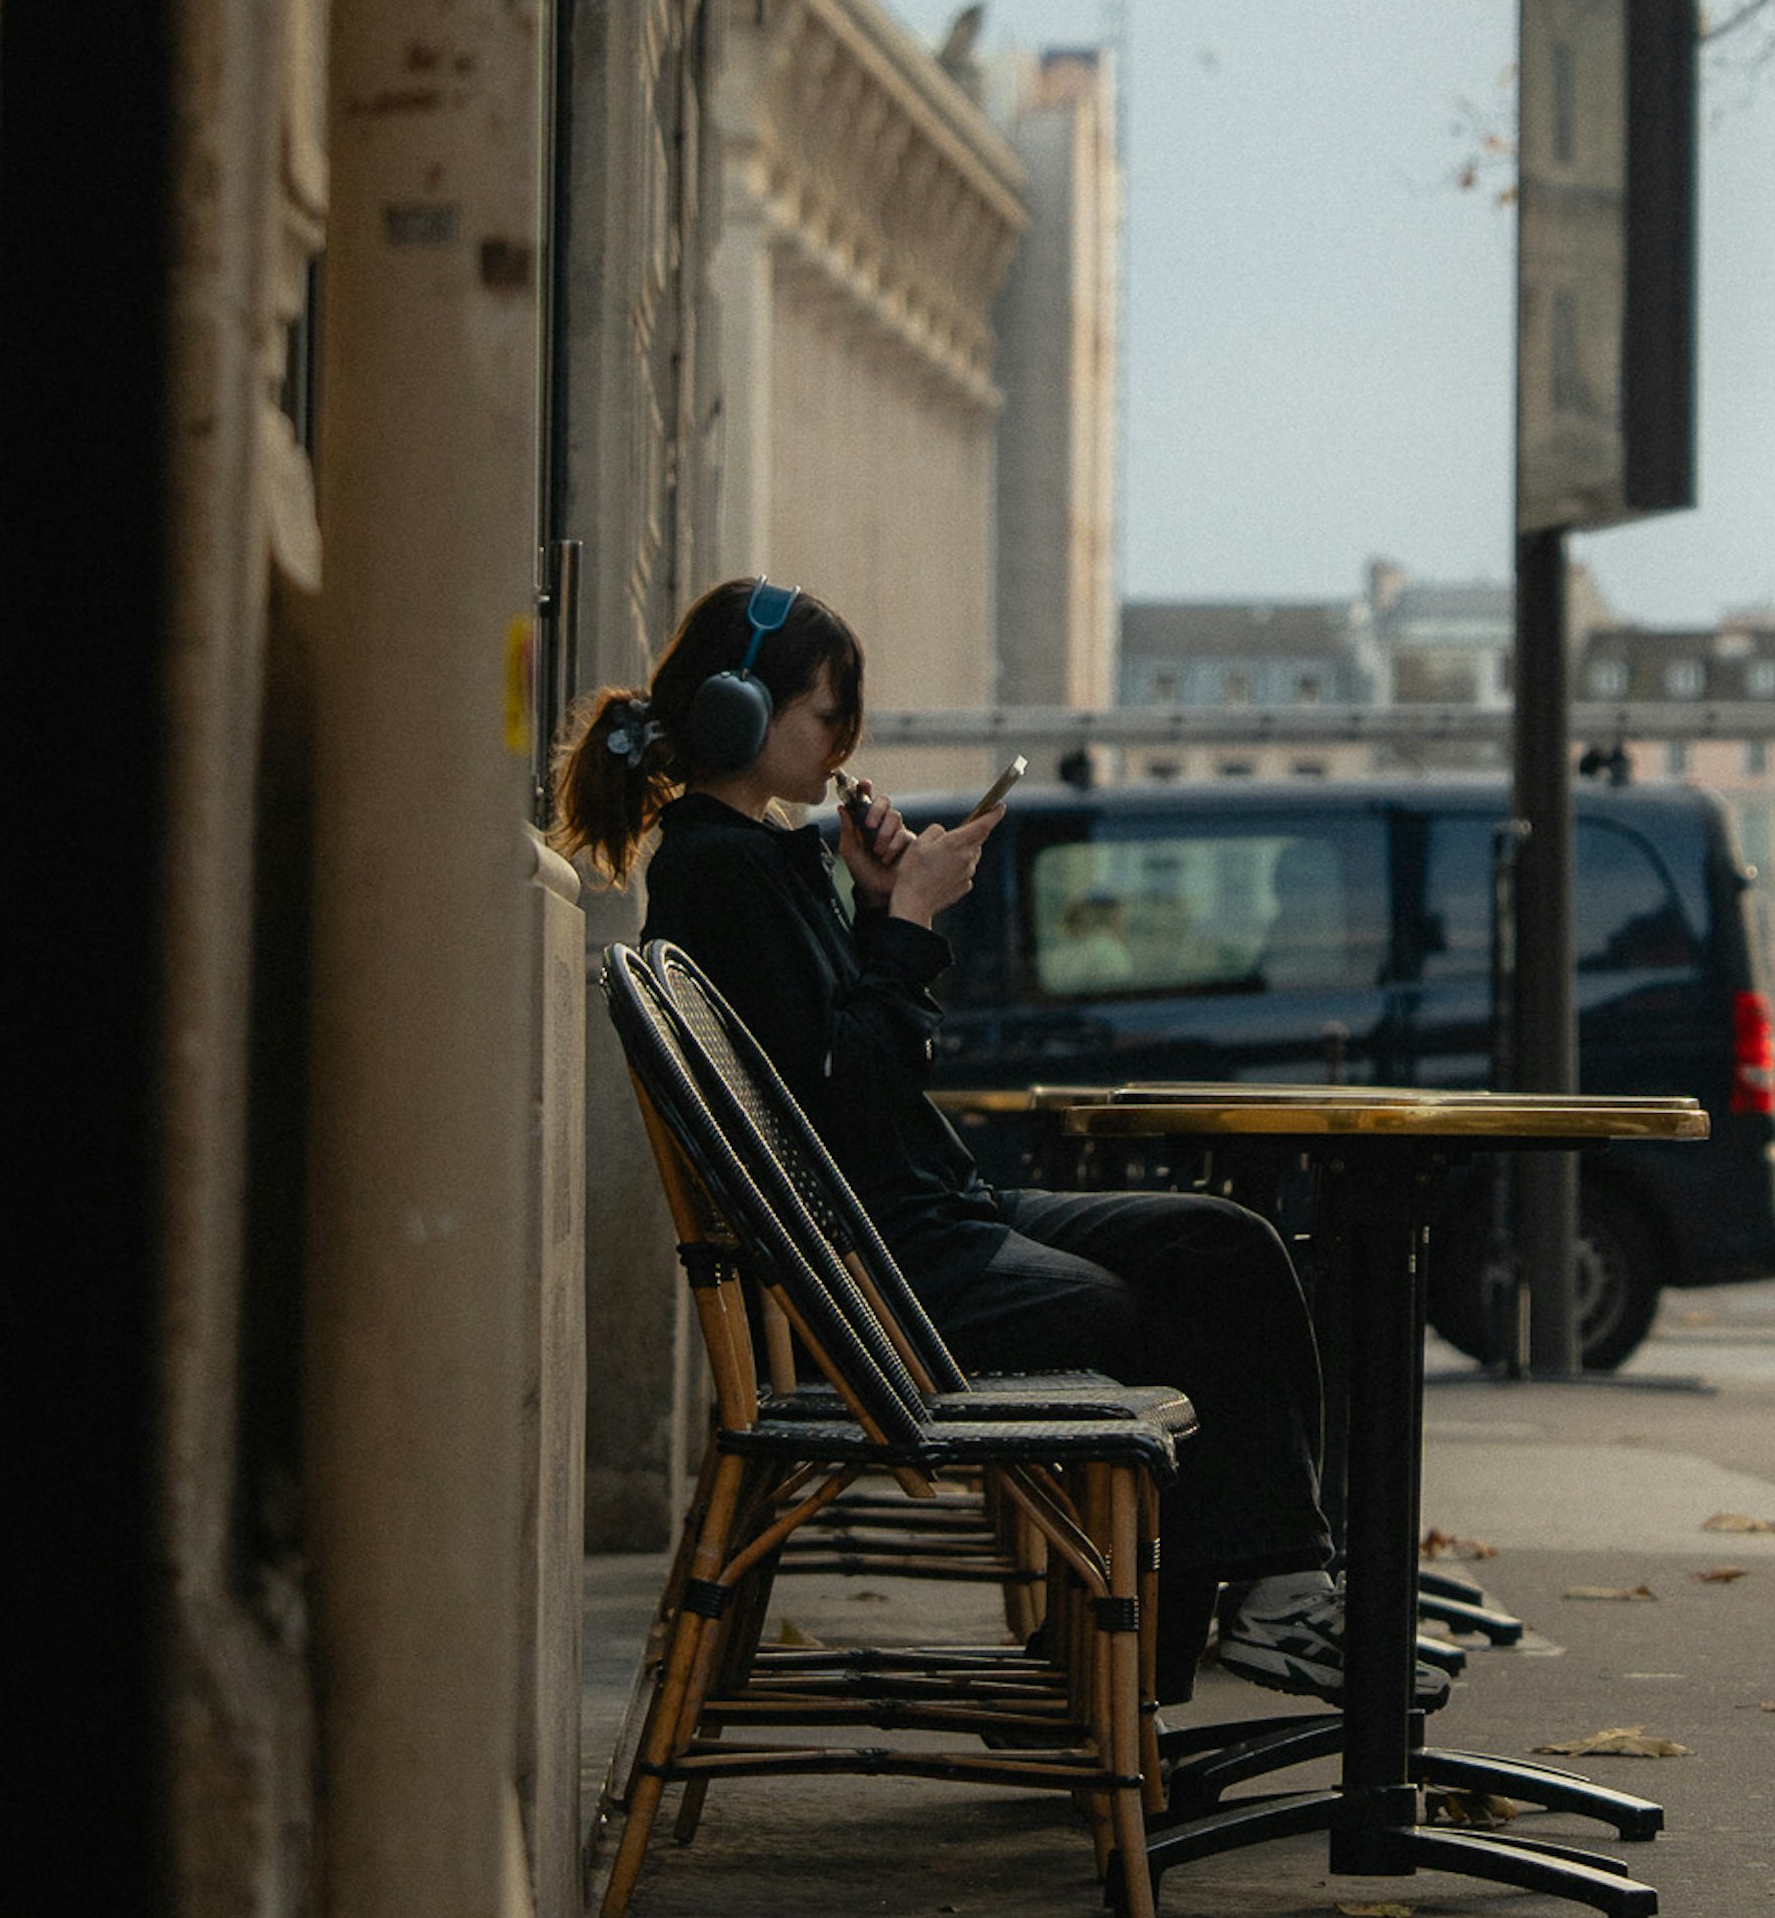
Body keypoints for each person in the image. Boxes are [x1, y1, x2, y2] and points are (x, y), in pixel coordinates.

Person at [552, 572, 1417, 1705]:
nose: (842, 750)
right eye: (827, 719)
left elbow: (852, 1066)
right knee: (1151, 1309)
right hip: (886, 1266)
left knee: (1228, 1247)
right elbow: (848, 1096)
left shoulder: (761, 862)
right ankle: (1187, 1637)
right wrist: (907, 920)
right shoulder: (718, 875)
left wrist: (873, 908)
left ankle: (1261, 1597)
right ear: (742, 712)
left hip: (925, 1220)